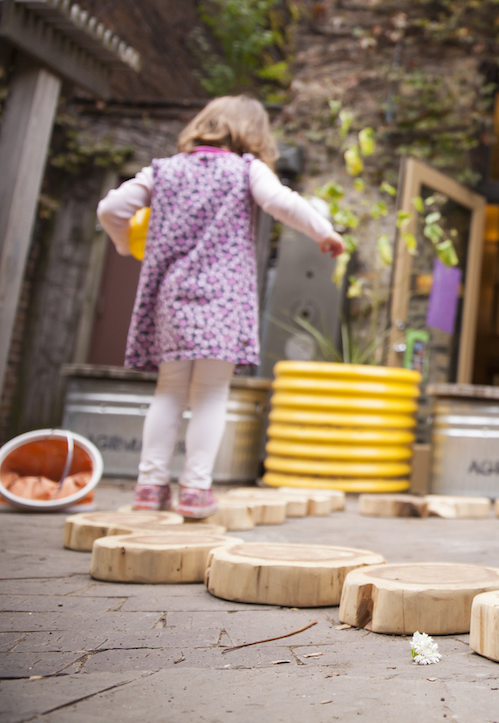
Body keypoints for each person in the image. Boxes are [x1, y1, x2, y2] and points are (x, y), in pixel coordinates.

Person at [97, 95, 343, 518]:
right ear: (253, 132)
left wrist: (124, 244)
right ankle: (195, 490)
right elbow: (281, 202)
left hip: (172, 295)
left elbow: (111, 208)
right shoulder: (247, 170)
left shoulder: (164, 169)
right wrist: (324, 232)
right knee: (211, 392)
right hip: (222, 298)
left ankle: (150, 487)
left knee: (169, 389)